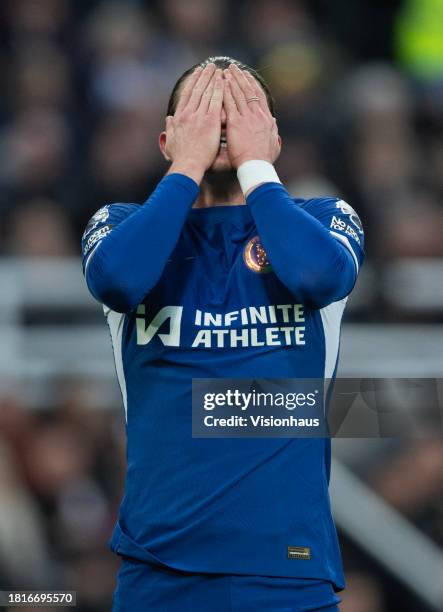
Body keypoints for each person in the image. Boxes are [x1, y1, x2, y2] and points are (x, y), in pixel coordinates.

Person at [81, 57, 364, 612]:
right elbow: (117, 279)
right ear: (168, 137)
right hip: (158, 574)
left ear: (272, 135)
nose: (222, 119)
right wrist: (186, 169)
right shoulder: (119, 225)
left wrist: (256, 167)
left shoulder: (324, 217)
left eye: (241, 107)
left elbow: (317, 276)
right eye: (203, 107)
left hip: (289, 575)